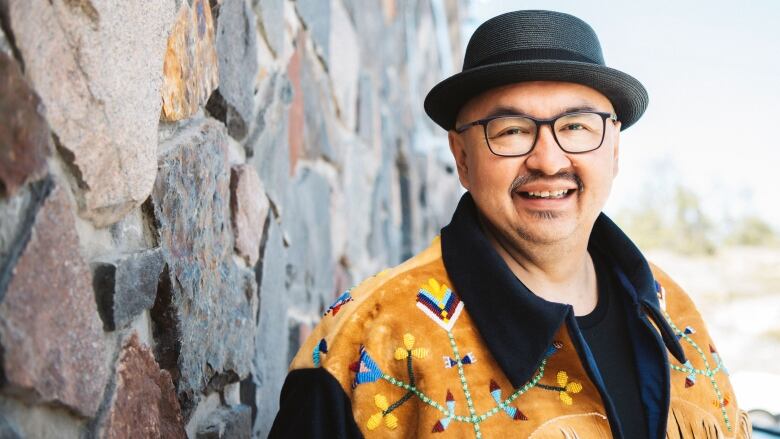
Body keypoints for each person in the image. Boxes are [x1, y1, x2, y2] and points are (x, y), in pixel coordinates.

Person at [270, 10, 752, 438]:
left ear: (614, 149)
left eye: (577, 126)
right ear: (462, 157)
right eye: (512, 131)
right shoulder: (366, 341)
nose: (548, 160)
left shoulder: (672, 312)